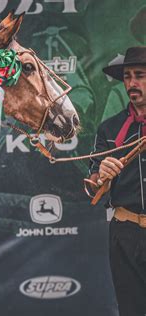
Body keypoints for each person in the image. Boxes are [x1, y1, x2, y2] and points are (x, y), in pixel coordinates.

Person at [88, 46, 146, 316]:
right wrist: (102, 176)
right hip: (125, 234)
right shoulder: (109, 129)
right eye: (127, 77)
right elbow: (92, 188)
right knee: (131, 309)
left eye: (140, 76)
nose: (132, 84)